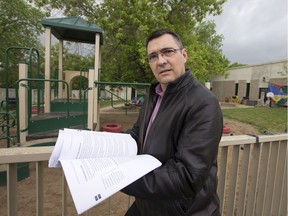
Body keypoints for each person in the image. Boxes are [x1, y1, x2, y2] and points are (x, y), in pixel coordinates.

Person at [122, 29, 223, 216]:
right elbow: (138, 135)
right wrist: (103, 145)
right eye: (153, 56)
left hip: (185, 211)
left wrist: (118, 178)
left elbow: (187, 176)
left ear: (184, 55)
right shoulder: (154, 96)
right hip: (148, 206)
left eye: (168, 51)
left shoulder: (203, 103)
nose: (160, 61)